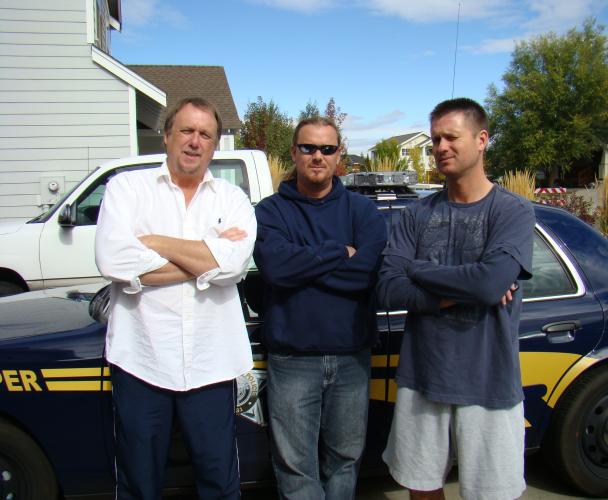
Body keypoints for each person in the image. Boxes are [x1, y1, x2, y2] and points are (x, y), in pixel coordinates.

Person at [95, 97, 256, 500]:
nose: (194, 141)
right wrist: (207, 255)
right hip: (141, 362)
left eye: (205, 134)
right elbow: (114, 260)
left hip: (210, 365)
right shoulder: (127, 189)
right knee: (139, 483)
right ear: (167, 135)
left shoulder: (232, 200)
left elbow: (234, 267)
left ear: (214, 145)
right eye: (186, 130)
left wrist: (155, 244)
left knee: (219, 483)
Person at [377, 98, 535, 500]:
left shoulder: (512, 211)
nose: (440, 147)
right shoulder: (416, 215)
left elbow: (488, 284)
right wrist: (446, 297)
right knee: (422, 488)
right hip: (422, 377)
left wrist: (418, 269)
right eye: (435, 139)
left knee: (491, 494)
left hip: (489, 382)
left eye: (451, 137)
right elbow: (387, 287)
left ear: (481, 140)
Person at [253, 117, 387, 500]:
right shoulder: (271, 211)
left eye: (327, 149)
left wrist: (303, 266)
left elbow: (366, 274)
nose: (317, 156)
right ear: (293, 152)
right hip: (292, 359)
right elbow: (276, 268)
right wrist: (337, 252)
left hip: (352, 358)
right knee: (295, 467)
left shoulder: (363, 212)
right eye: (308, 147)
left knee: (345, 459)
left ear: (339, 154)